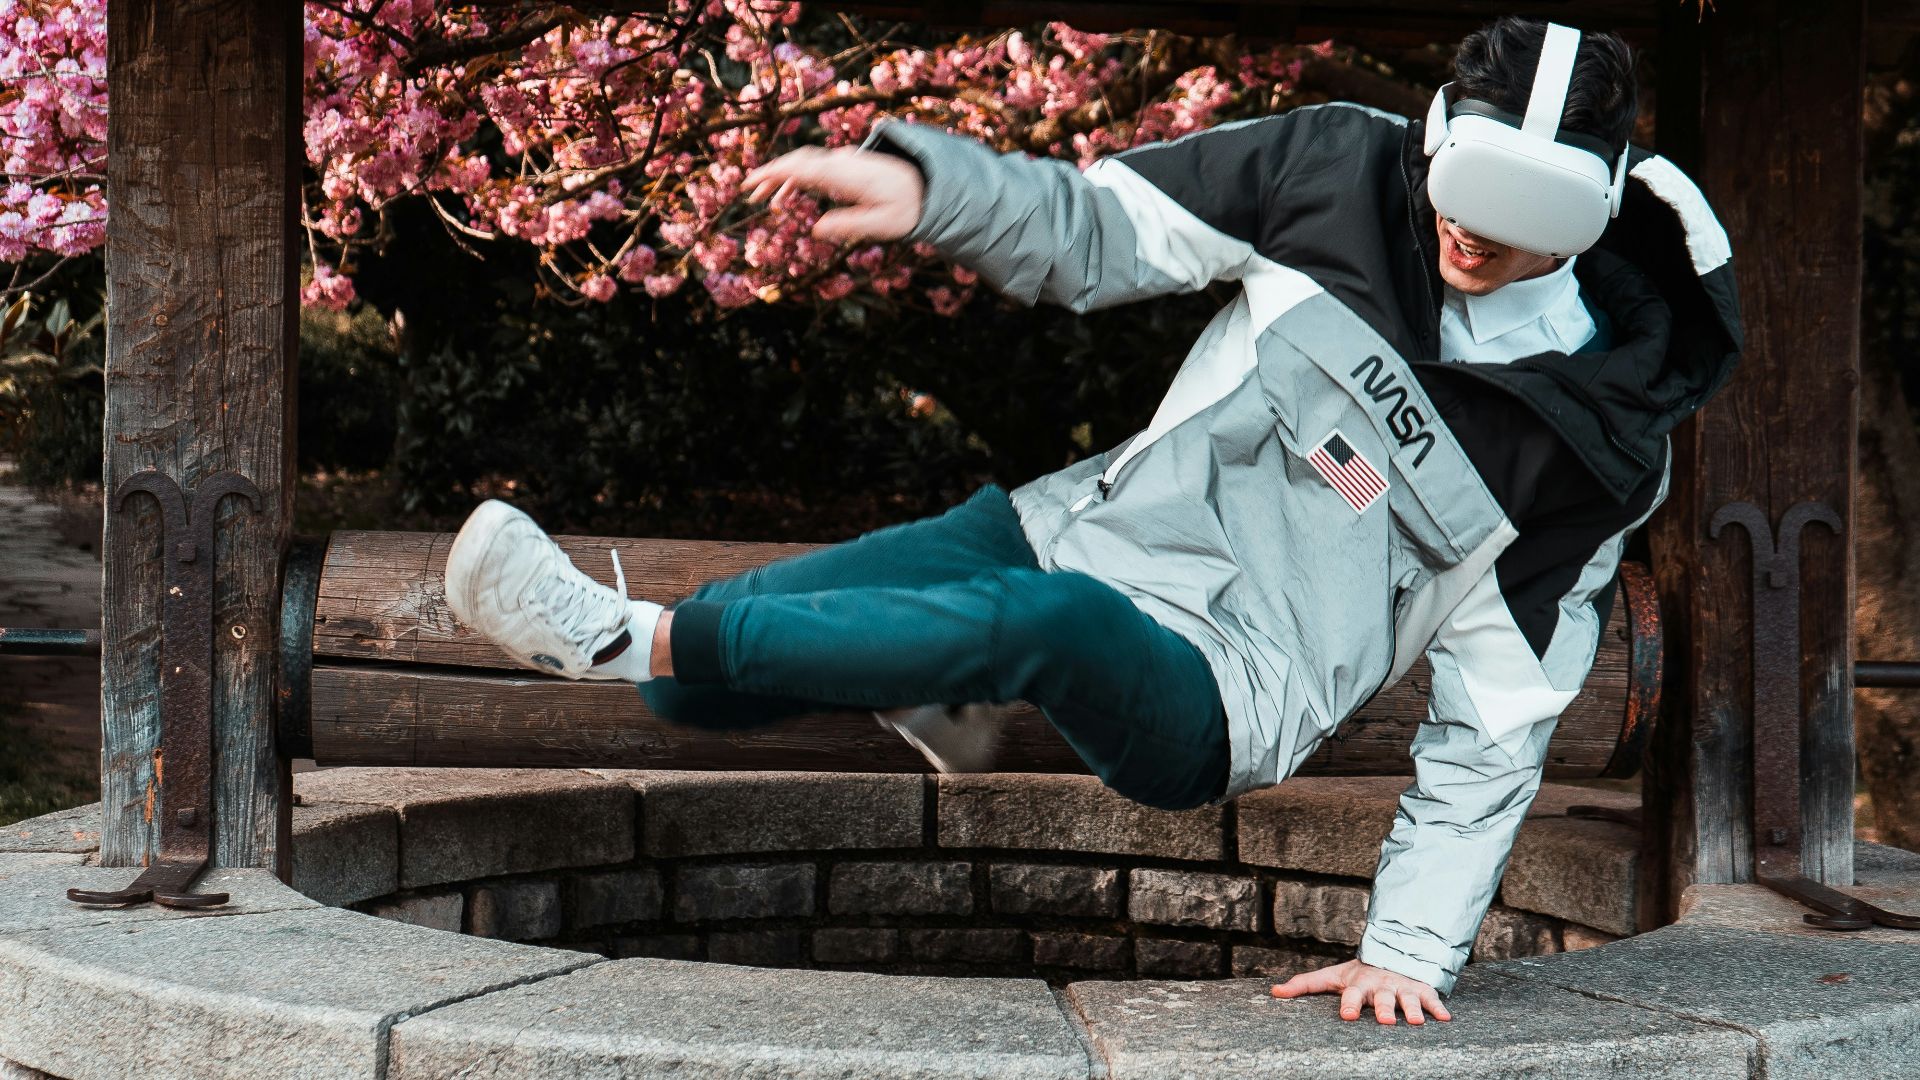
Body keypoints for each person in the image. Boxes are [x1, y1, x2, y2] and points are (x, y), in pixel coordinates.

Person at [442, 16, 1741, 1025]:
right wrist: (938, 196)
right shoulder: (1339, 173)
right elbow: (1107, 225)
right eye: (1460, 192)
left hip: (1228, 688)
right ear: (1439, 135)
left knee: (1045, 624)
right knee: (752, 635)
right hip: (1082, 530)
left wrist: (1407, 947)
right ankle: (712, 664)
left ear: (1592, 208)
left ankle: (616, 639)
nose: (1469, 238)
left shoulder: (1590, 445)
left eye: (1520, 223)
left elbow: (1499, 713)